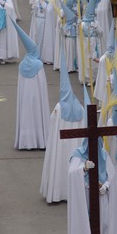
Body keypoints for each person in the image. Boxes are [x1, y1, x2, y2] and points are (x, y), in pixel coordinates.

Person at [67, 138, 117, 234]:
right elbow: (72, 173)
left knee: (103, 221)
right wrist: (84, 168)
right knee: (86, 221)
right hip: (85, 193)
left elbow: (111, 174)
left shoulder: (103, 154)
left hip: (100, 193)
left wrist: (105, 186)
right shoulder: (78, 155)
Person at [40, 52, 85, 203]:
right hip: (76, 145)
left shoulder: (59, 107)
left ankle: (58, 192)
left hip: (61, 143)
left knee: (59, 165)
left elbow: (52, 123)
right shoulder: (79, 107)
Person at [13, 21, 50, 150]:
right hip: (36, 97)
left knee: (26, 116)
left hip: (25, 98)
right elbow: (42, 85)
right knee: (37, 114)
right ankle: (39, 140)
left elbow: (20, 85)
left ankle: (25, 141)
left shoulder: (22, 65)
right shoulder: (39, 65)